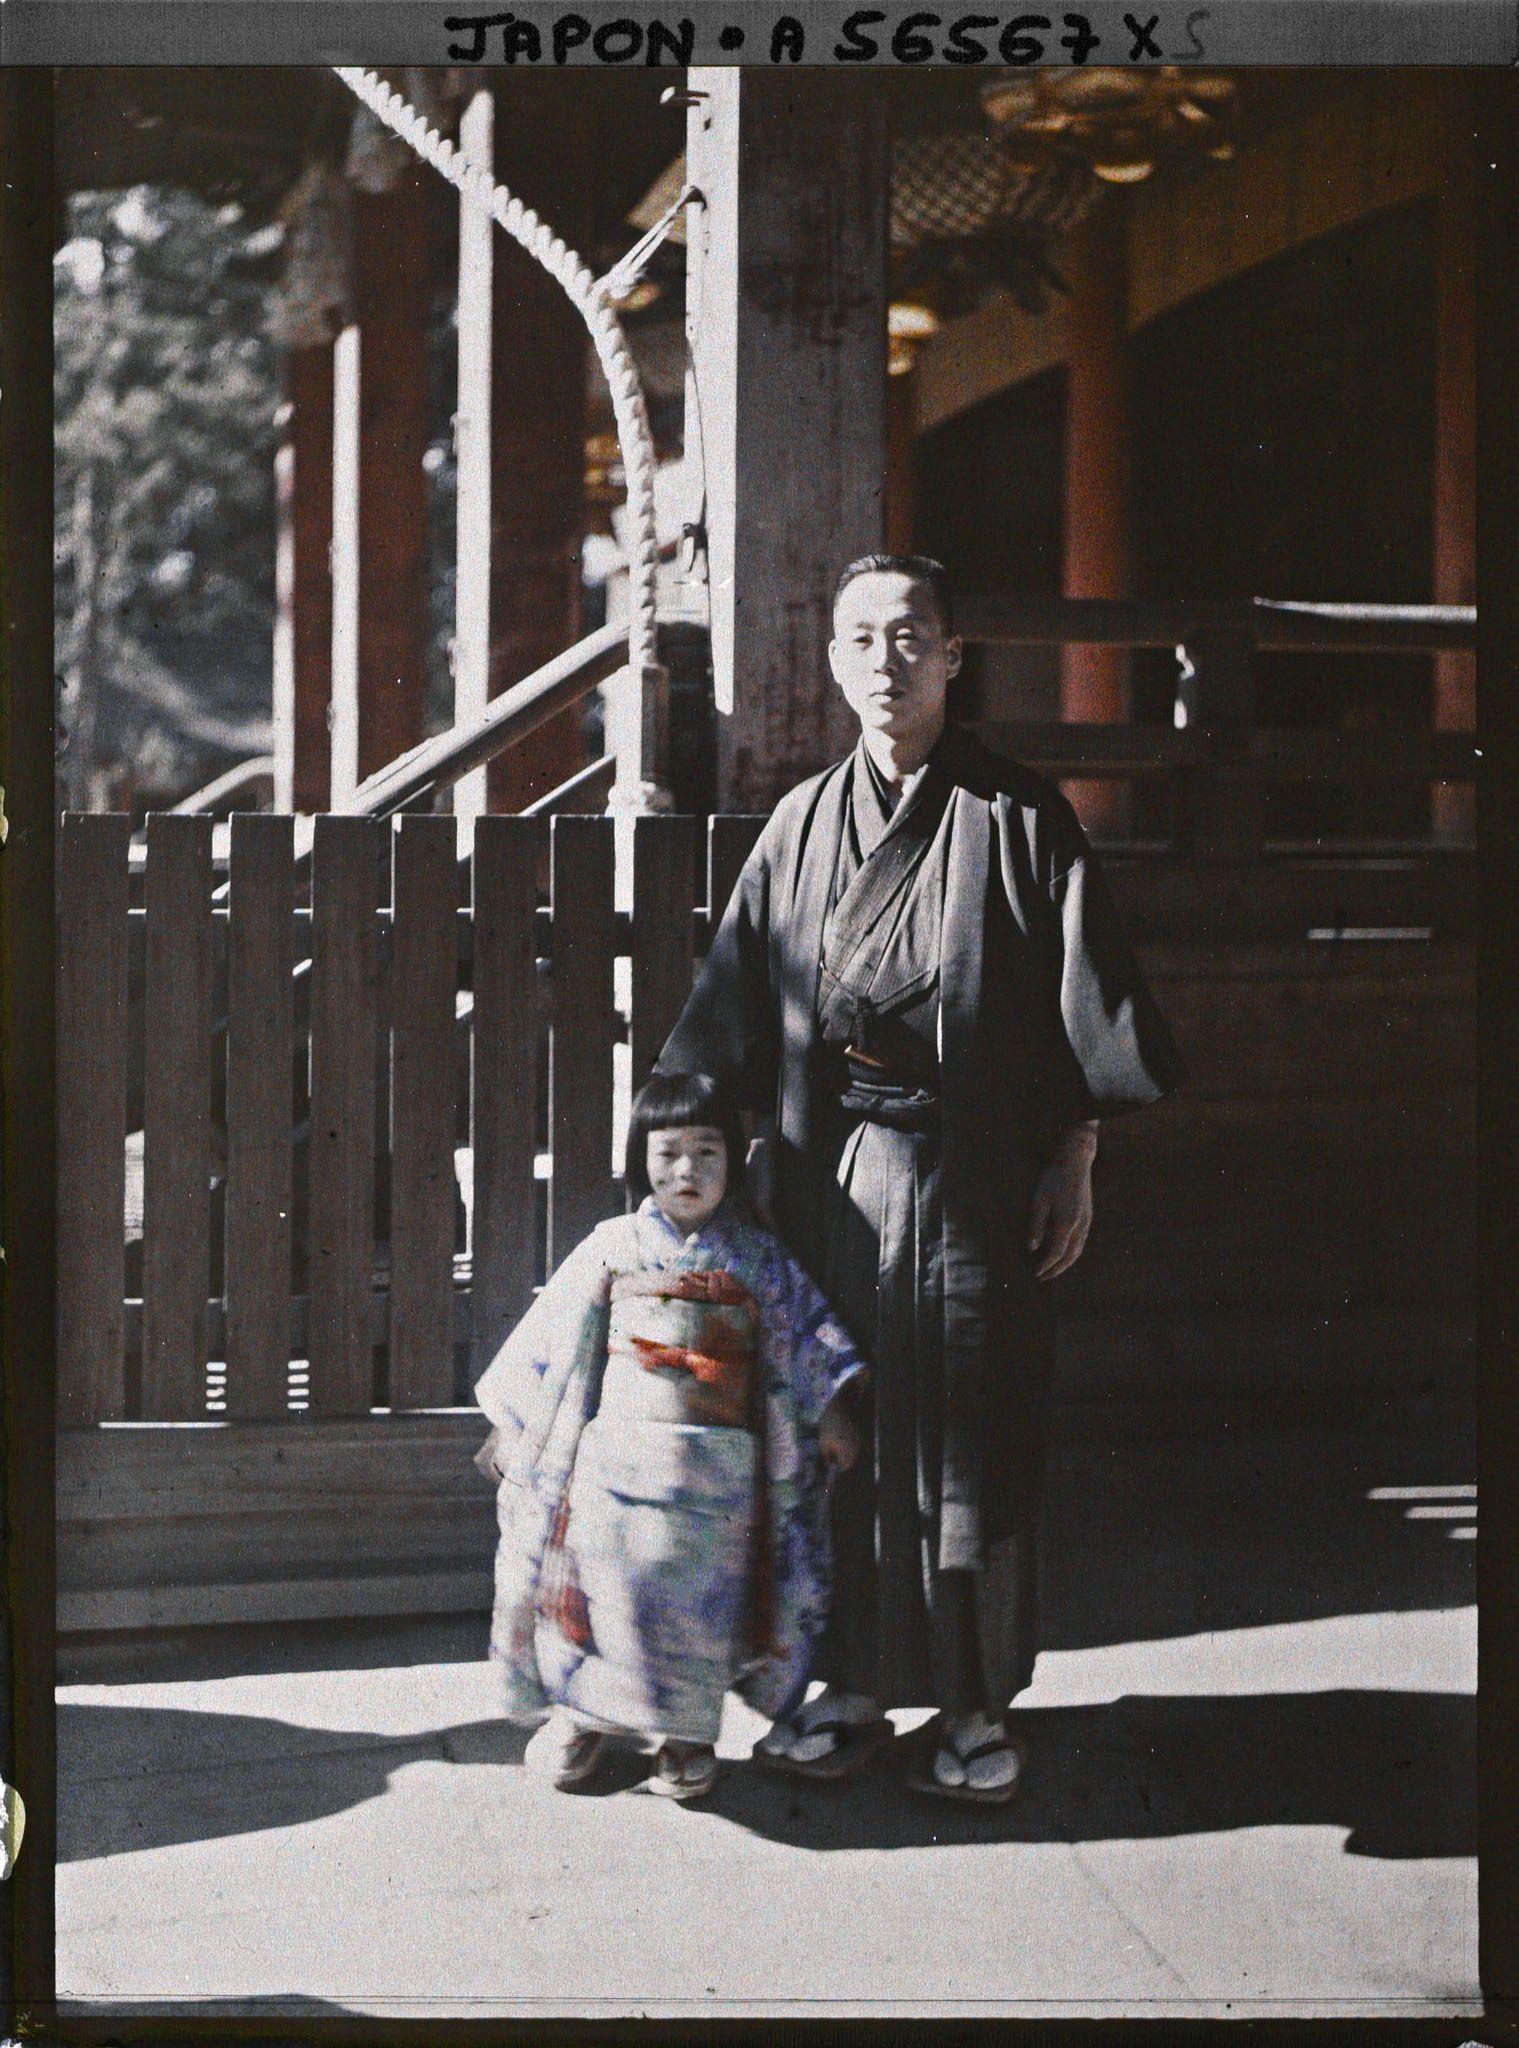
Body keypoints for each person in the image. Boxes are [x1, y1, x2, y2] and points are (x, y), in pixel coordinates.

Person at [658, 554, 1185, 1803]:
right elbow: (726, 1016)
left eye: (910, 635)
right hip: (824, 1184)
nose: (885, 659)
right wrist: (692, 1167)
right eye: (860, 636)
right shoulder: (798, 827)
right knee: (835, 1439)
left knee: (970, 1443)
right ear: (833, 660)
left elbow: (1081, 1012)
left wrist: (1074, 1155)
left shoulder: (1020, 818)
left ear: (953, 655)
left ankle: (973, 1702)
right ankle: (846, 1687)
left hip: (972, 1182)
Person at [474, 1070, 866, 1803]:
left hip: (717, 1480)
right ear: (640, 1158)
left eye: (707, 1151)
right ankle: (581, 1718)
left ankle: (686, 1737)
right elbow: (551, 1340)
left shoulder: (757, 1259)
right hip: (615, 1469)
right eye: (669, 1152)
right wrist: (512, 1423)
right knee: (600, 1599)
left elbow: (802, 1340)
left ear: (734, 1160)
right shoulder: (612, 1247)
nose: (687, 1170)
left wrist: (831, 1412)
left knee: (697, 1615)